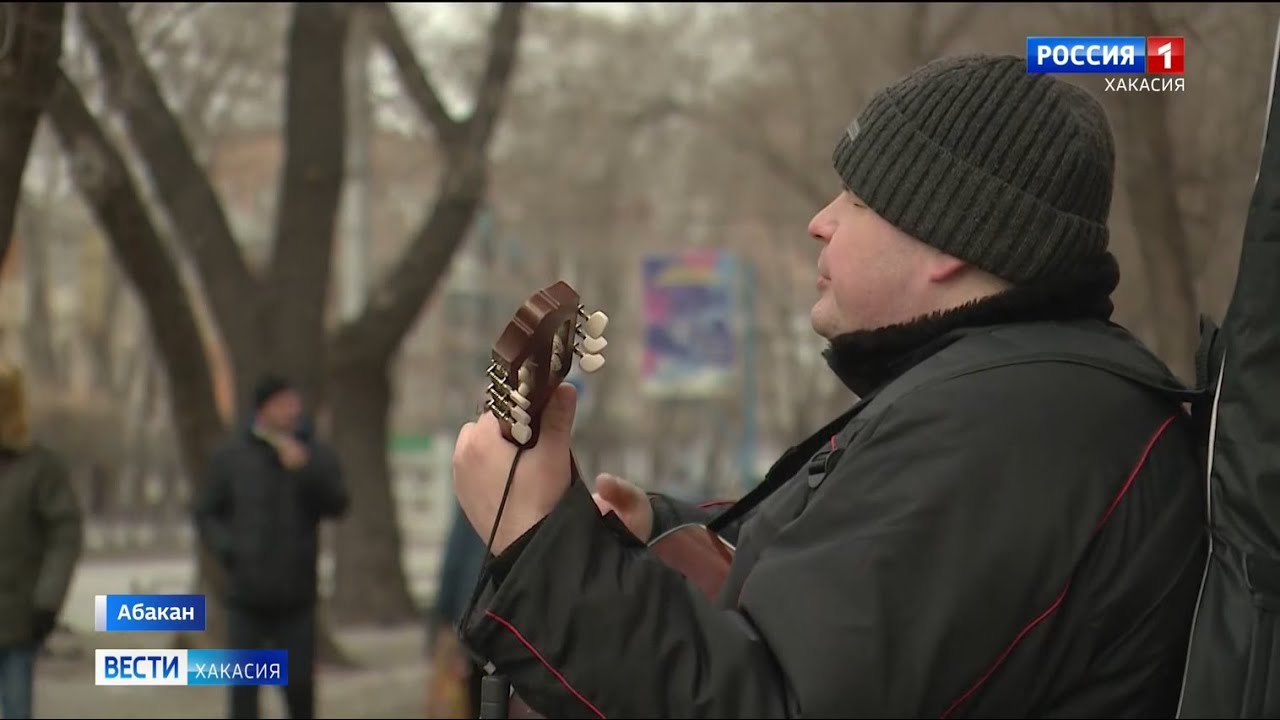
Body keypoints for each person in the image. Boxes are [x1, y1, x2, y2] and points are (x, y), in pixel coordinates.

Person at [450, 53, 1210, 719]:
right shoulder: (1023, 400)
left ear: (948, 237)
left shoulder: (1012, 428)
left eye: (857, 199)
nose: (821, 222)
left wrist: (535, 545)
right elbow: (852, 580)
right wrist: (667, 528)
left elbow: (777, 700)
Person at [195, 374, 349, 720]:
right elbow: (206, 513)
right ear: (264, 410)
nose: (293, 410)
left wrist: (304, 469)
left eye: (294, 401)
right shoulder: (232, 456)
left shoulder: (314, 452)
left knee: (298, 689)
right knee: (244, 695)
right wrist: (230, 550)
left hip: (296, 598)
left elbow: (338, 504)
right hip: (246, 598)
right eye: (283, 403)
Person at [0, 361, 83, 720]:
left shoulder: (38, 468)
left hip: (16, 619)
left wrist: (46, 603)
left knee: (17, 707)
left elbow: (64, 536)